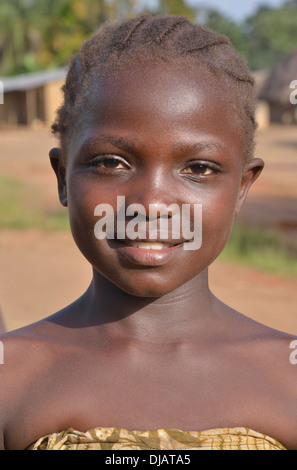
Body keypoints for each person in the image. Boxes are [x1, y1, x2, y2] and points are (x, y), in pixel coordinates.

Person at [0, 14, 296, 451]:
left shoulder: (286, 376)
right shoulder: (13, 375)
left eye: (199, 168)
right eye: (110, 162)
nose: (152, 204)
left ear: (241, 188)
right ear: (63, 177)